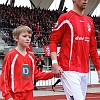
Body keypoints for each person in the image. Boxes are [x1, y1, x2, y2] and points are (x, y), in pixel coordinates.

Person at [49, 0, 100, 100]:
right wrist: (54, 63)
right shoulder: (65, 18)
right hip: (69, 70)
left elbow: (93, 48)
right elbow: (53, 41)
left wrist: (98, 68)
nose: (85, 0)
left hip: (85, 71)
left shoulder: (90, 21)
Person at [1, 25, 53, 100]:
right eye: (24, 36)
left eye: (29, 37)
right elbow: (4, 76)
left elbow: (36, 74)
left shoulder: (31, 56)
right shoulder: (11, 55)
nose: (28, 39)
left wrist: (52, 74)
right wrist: (7, 95)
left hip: (29, 94)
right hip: (15, 95)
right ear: (16, 38)